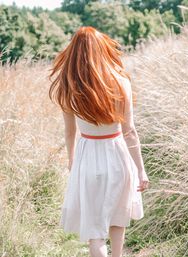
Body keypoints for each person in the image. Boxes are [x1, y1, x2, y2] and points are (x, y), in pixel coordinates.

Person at [48, 26, 149, 257]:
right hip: (117, 154)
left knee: (95, 232)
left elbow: (69, 133)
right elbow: (130, 131)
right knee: (117, 219)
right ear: (101, 48)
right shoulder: (120, 80)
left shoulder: (70, 86)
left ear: (73, 52)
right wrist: (141, 170)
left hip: (87, 156)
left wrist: (72, 163)